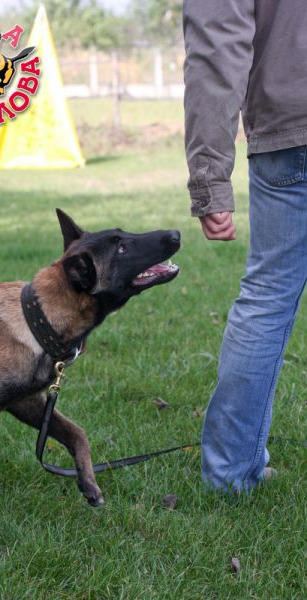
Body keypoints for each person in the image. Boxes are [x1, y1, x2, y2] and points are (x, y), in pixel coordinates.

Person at [183, 0, 307, 492]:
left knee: (267, 299)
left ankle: (230, 473)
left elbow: (217, 47)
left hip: (291, 130)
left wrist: (209, 178)